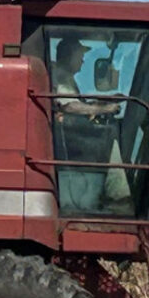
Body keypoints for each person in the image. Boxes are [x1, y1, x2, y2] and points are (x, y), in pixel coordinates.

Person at [49, 37, 120, 214]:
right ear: (69, 55)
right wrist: (105, 108)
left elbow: (75, 103)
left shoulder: (66, 77)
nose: (83, 59)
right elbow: (69, 106)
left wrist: (102, 102)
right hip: (70, 139)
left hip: (72, 137)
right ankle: (117, 197)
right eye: (80, 54)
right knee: (110, 136)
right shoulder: (61, 75)